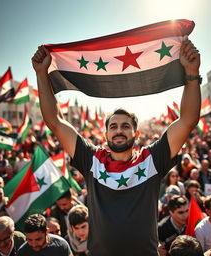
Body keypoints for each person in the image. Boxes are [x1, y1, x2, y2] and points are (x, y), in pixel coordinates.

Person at [32, 38, 201, 256]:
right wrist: (41, 73)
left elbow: (187, 120)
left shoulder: (152, 159)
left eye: (125, 126)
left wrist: (191, 72)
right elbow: (55, 122)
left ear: (136, 133)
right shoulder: (91, 158)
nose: (119, 130)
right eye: (113, 126)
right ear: (106, 134)